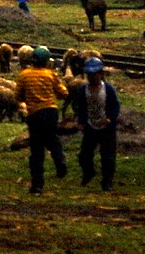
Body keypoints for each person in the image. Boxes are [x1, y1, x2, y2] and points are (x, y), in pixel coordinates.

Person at [16, 46, 69, 194]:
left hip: (35, 115)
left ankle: (37, 185)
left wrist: (29, 97)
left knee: (37, 149)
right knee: (52, 139)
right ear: (46, 61)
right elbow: (63, 93)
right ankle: (60, 162)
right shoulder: (50, 74)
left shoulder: (24, 75)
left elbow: (18, 96)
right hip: (51, 112)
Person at [69, 56, 120, 190]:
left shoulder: (108, 89)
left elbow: (115, 106)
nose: (92, 77)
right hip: (90, 126)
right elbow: (80, 107)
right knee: (84, 155)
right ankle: (89, 172)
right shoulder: (82, 90)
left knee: (108, 157)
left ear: (101, 74)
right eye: (89, 75)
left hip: (106, 127)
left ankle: (107, 182)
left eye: (94, 74)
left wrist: (110, 118)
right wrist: (81, 122)